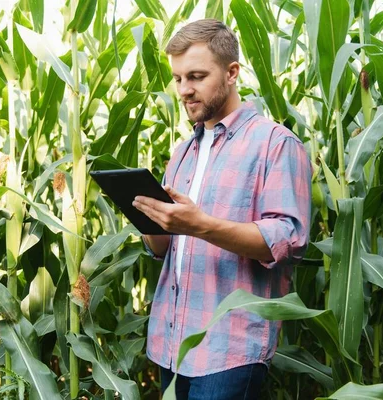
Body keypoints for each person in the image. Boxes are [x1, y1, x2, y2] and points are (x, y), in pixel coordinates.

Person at [132, 19, 312, 399]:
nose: (184, 90)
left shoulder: (275, 144)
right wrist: (151, 218)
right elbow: (163, 249)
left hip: (229, 350)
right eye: (178, 78)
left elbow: (287, 240)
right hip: (171, 343)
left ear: (232, 73)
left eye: (196, 76)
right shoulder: (183, 153)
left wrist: (200, 225)